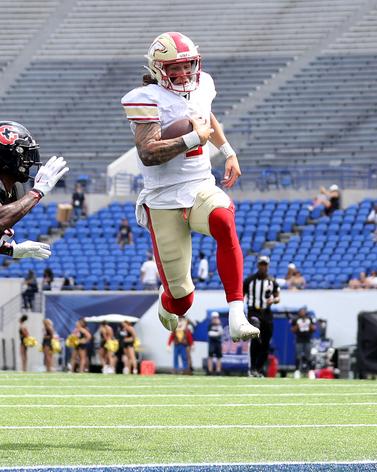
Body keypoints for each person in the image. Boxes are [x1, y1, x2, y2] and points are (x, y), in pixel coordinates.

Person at [121, 32, 259, 342]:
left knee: (224, 219)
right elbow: (148, 152)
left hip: (199, 185)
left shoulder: (203, 84)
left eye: (188, 66)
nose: (184, 74)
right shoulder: (145, 98)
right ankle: (167, 300)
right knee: (182, 301)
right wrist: (194, 138)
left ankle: (237, 314)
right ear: (158, 69)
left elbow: (205, 113)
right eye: (175, 68)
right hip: (163, 198)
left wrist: (228, 151)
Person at [0, 121, 69, 261]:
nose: (29, 161)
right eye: (24, 154)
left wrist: (10, 250)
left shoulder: (12, 190)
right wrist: (36, 192)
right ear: (8, 156)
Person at [243, 256, 280, 377]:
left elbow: (278, 297)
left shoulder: (272, 281)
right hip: (254, 311)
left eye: (265, 265)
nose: (263, 267)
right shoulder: (249, 281)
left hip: (267, 313)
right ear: (258, 265)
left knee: (265, 343)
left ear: (268, 266)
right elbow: (240, 295)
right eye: (261, 264)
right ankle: (252, 367)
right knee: (256, 338)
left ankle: (258, 369)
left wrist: (273, 300)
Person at [291, 307, 316, 379]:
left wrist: (308, 324)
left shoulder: (310, 319)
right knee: (298, 356)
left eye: (303, 312)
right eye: (300, 312)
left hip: (308, 340)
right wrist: (298, 325)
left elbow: (314, 329)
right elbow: (292, 330)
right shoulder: (296, 319)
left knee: (309, 356)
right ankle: (297, 371)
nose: (302, 313)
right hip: (299, 340)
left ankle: (310, 371)